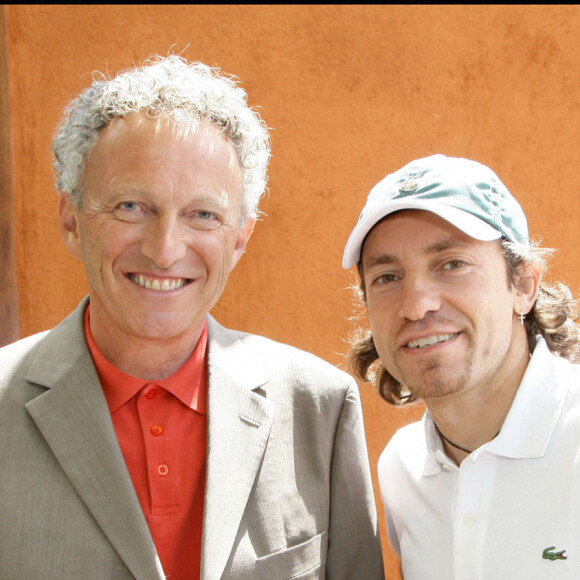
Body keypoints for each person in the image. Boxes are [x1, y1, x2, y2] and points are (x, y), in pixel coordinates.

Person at [0, 55, 384, 580]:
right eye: (132, 206)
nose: (164, 250)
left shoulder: (318, 407)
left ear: (240, 237)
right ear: (71, 219)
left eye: (202, 214)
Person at [342, 153, 580, 580]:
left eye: (451, 264)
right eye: (387, 277)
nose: (416, 305)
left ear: (524, 285)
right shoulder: (402, 469)